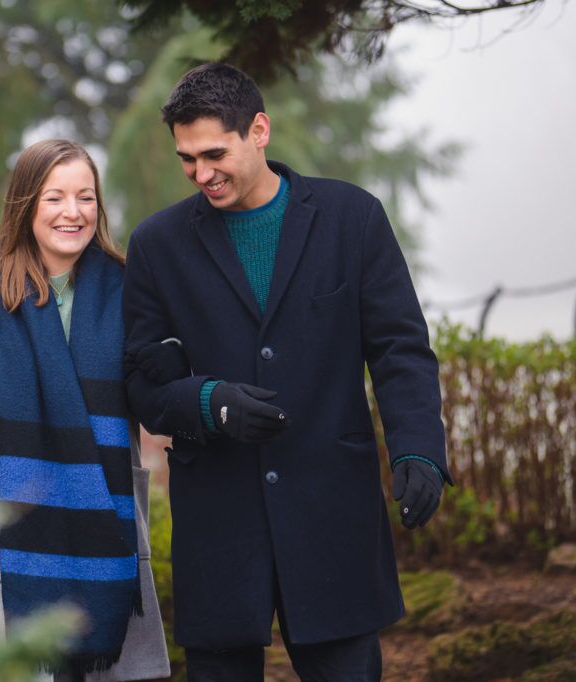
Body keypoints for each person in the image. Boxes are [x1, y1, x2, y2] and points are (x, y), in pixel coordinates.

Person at [122, 63, 453, 681]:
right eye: (186, 159)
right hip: (218, 527)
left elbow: (400, 348)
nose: (201, 174)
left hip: (332, 512)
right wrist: (209, 402)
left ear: (260, 130)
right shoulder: (156, 244)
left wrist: (420, 450)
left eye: (215, 153)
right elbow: (143, 384)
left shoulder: (353, 217)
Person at [0, 139, 170, 681]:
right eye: (55, 197)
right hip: (8, 556)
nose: (73, 212)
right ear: (25, 204)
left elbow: (161, 397)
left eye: (86, 197)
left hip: (110, 550)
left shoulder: (131, 294)